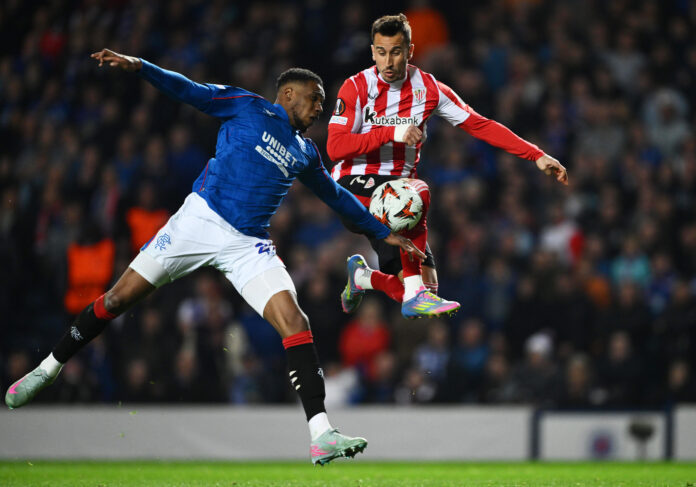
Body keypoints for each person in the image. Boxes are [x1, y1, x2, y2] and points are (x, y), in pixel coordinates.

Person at [4, 48, 425, 466]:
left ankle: (321, 434)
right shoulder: (246, 106)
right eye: (315, 98)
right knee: (116, 299)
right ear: (289, 94)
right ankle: (48, 368)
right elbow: (191, 91)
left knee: (296, 321)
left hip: (249, 246)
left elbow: (335, 197)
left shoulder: (306, 152)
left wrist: (380, 232)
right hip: (198, 222)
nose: (320, 108)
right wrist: (141, 66)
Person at [327, 14, 568, 319]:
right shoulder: (357, 87)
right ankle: (414, 295)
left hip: (396, 195)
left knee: (427, 287)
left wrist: (536, 155)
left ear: (410, 50)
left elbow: (480, 125)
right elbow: (335, 148)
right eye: (381, 52)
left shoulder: (428, 89)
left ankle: (363, 277)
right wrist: (392, 132)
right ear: (372, 51)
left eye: (396, 52)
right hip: (354, 184)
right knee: (417, 192)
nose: (388, 62)